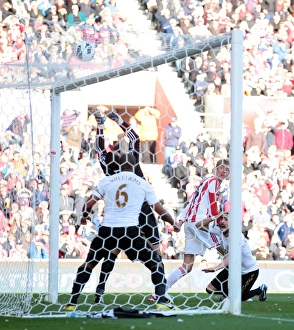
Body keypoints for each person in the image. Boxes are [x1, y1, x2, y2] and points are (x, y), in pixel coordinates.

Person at [63, 153, 181, 311]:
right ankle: (161, 301)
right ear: (135, 165)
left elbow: (89, 203)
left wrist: (84, 217)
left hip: (107, 231)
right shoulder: (142, 183)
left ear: (119, 166)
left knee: (89, 264)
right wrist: (174, 223)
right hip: (129, 232)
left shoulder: (107, 181)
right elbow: (159, 210)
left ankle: (72, 303)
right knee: (156, 264)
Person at [92, 108, 169, 303]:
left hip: (121, 213)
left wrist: (101, 125)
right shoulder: (131, 161)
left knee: (113, 251)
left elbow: (101, 148)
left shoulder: (109, 164)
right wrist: (118, 120)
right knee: (152, 251)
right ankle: (160, 293)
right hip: (140, 209)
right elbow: (134, 137)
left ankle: (99, 292)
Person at [166, 159, 230, 291]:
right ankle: (234, 291)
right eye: (222, 168)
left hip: (190, 224)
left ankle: (160, 291)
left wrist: (180, 221)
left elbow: (191, 203)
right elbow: (213, 206)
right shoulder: (213, 182)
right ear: (215, 168)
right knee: (229, 254)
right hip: (200, 224)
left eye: (227, 169)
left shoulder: (205, 182)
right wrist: (219, 221)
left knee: (187, 266)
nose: (224, 171)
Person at [200, 212, 268, 302]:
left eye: (226, 219)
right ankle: (229, 295)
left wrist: (216, 268)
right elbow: (199, 226)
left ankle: (260, 289)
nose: (222, 221)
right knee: (210, 289)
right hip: (233, 268)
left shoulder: (237, 237)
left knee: (238, 298)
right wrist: (214, 217)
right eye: (221, 218)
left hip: (249, 271)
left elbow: (231, 257)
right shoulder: (219, 231)